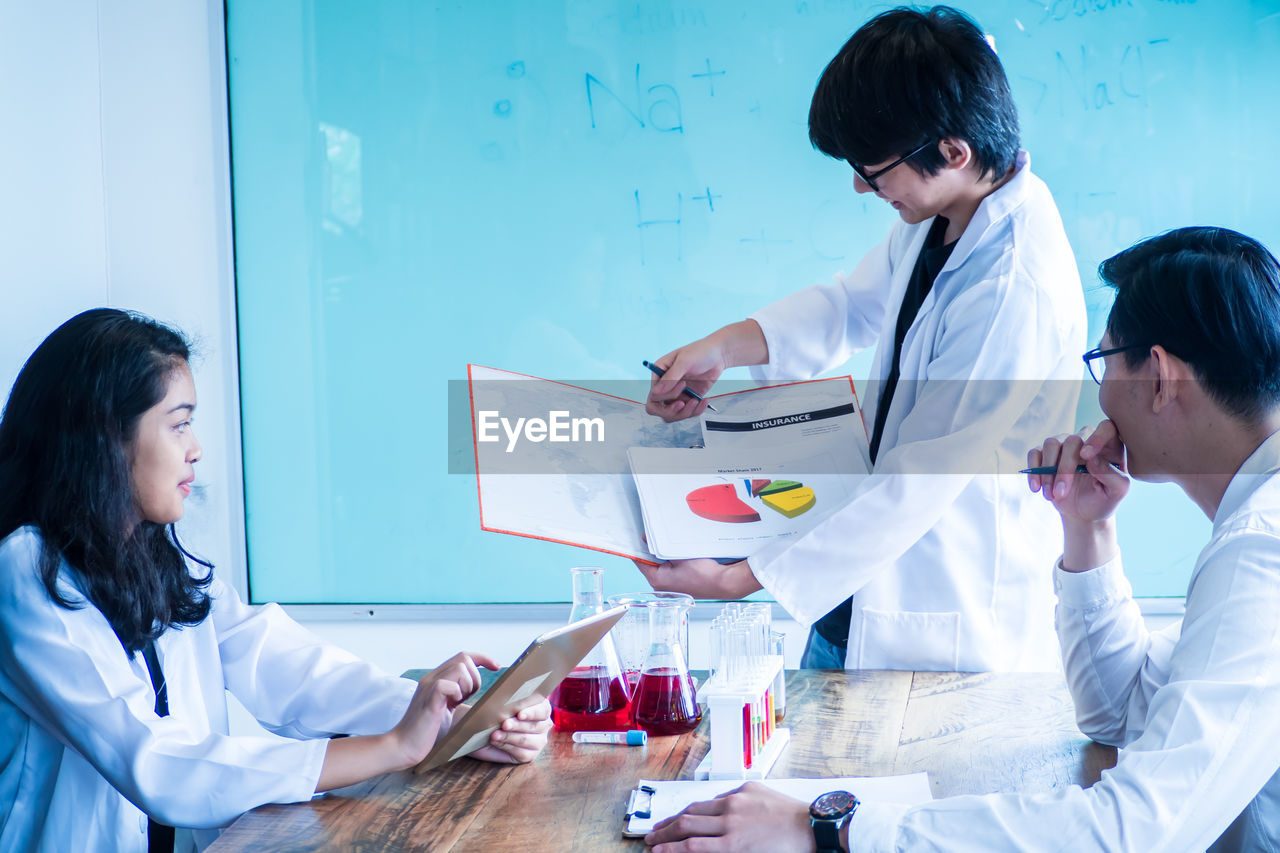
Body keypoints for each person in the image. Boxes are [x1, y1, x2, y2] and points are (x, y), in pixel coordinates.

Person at [645, 225, 1280, 851]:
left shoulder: (1261, 550)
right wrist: (1087, 528)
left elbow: (1137, 831)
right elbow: (1122, 713)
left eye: (1103, 361)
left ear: (1161, 377)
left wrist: (833, 830)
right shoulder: (1254, 528)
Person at [0, 309, 552, 852]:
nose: (195, 449)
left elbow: (287, 670)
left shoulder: (154, 553)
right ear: (105, 438)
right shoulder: (27, 570)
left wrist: (453, 721)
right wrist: (394, 746)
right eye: (179, 424)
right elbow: (156, 764)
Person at [640, 5, 1086, 671]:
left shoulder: (1014, 286)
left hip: (937, 626)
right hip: (848, 596)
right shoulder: (942, 211)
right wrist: (725, 346)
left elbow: (921, 479)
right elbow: (854, 304)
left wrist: (739, 579)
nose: (859, 186)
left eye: (873, 172)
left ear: (953, 151)